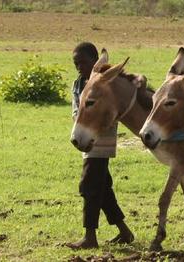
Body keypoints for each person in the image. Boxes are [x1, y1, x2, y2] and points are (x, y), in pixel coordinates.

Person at [66, 42, 134, 249]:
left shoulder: (105, 83)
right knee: (102, 186)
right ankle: (124, 231)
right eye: (75, 63)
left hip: (100, 137)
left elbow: (132, 84)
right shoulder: (79, 84)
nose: (79, 67)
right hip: (86, 135)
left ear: (95, 61)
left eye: (83, 62)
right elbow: (77, 111)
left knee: (89, 184)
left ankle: (90, 237)